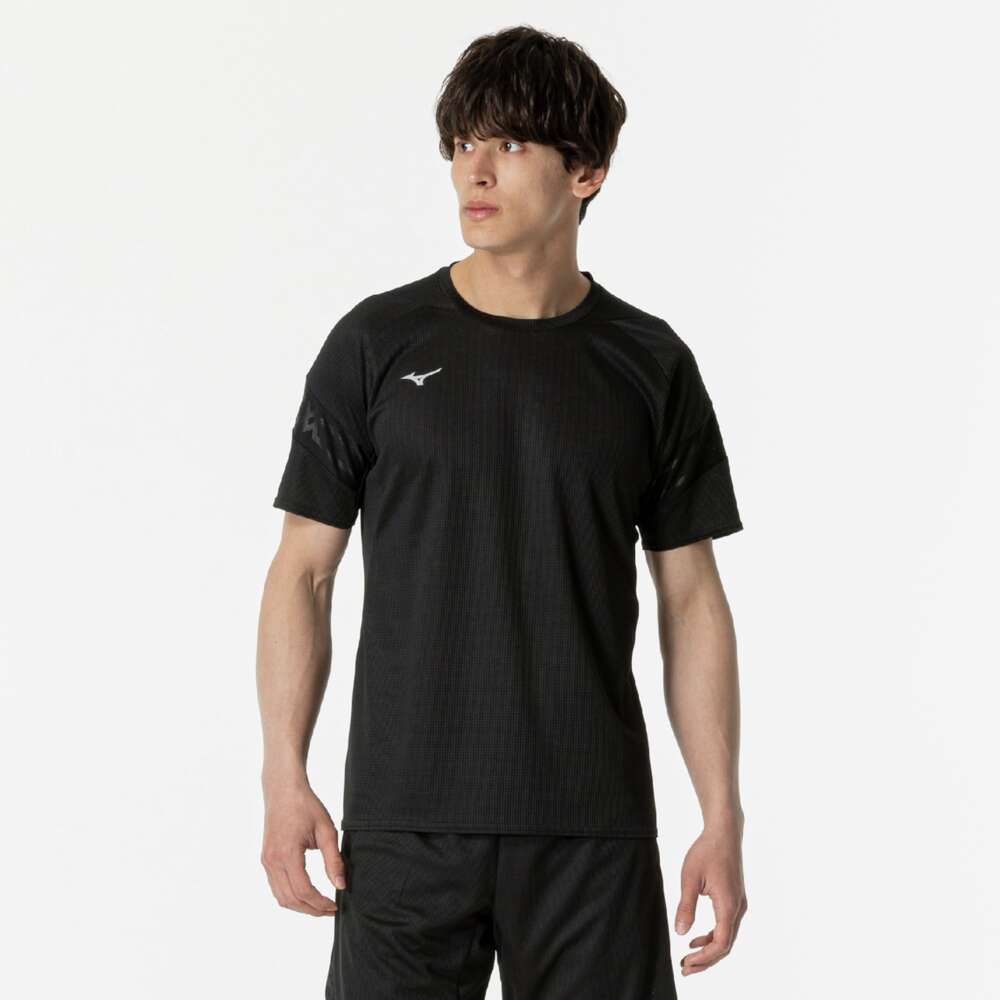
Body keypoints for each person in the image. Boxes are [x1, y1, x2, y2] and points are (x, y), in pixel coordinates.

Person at [257, 24, 748, 999]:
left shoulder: (650, 365)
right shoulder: (375, 344)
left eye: (511, 143)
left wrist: (721, 814)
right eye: (462, 143)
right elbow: (302, 571)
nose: (473, 170)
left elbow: (692, 597)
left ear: (587, 171)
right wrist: (283, 772)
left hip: (591, 830)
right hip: (402, 826)